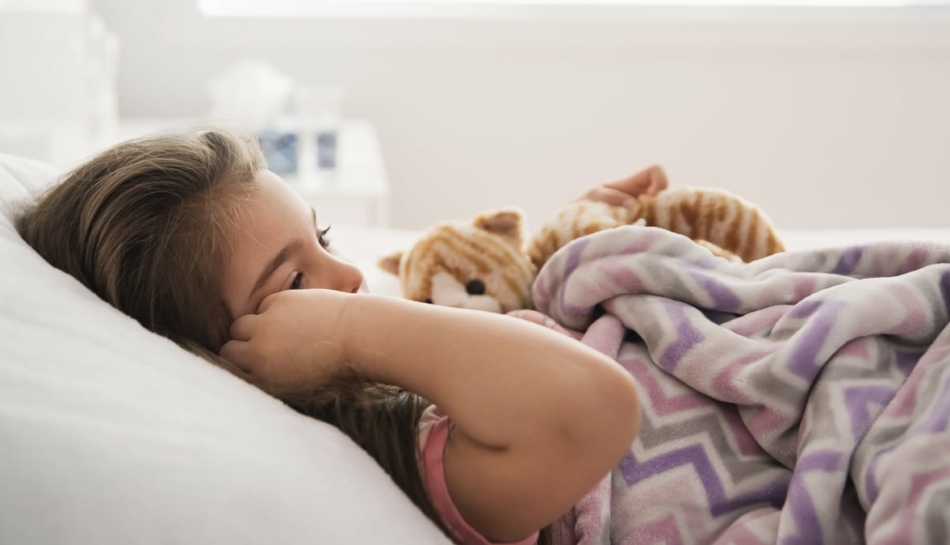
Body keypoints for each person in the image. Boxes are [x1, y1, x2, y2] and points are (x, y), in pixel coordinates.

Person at [14, 128, 667, 545]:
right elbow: (595, 406)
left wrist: (557, 250)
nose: (350, 275)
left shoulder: (389, 357)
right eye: (298, 279)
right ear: (214, 361)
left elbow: (491, 325)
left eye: (322, 238)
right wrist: (350, 327)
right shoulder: (426, 459)